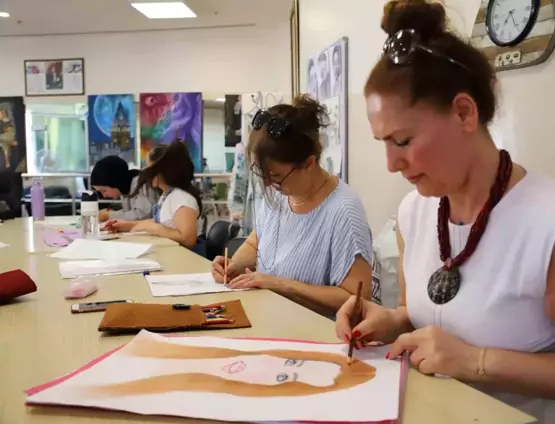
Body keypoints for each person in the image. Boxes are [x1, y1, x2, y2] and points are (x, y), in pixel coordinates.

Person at [335, 1, 555, 424]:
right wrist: (391, 320)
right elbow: (419, 311)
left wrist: (476, 361)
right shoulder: (415, 212)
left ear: (464, 112)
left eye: (402, 140)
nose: (391, 163)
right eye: (382, 142)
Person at [211, 95, 373, 318]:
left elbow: (357, 299)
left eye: (276, 177)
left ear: (308, 163)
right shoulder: (280, 195)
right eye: (262, 175)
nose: (268, 184)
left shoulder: (343, 211)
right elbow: (257, 242)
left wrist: (282, 285)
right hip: (273, 321)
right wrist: (233, 266)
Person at [80, 331, 375, 398]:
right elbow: (251, 247)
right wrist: (233, 263)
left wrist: (273, 281)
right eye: (290, 361)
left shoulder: (342, 212)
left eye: (286, 376)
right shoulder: (276, 203)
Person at [109, 141, 206, 255]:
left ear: (163, 172)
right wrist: (127, 225)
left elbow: (188, 239)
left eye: (149, 169)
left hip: (186, 258)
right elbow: (162, 221)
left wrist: (154, 228)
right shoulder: (167, 195)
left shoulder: (182, 199)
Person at [90, 155, 158, 222]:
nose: (104, 196)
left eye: (104, 190)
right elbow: (129, 212)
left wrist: (109, 215)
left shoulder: (142, 183)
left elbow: (143, 215)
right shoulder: (124, 190)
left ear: (114, 181)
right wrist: (111, 214)